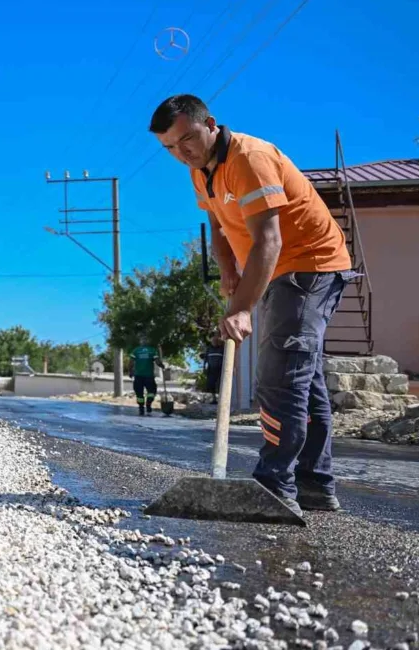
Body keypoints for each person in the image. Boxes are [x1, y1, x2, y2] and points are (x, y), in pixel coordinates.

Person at [149, 94, 352, 517]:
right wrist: (228, 272)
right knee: (303, 378)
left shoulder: (248, 158)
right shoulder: (201, 169)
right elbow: (218, 222)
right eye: (169, 147)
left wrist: (241, 308)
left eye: (186, 139)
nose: (180, 152)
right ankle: (315, 483)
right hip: (276, 269)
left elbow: (269, 240)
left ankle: (274, 485)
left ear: (210, 125)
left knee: (280, 377)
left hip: (309, 267)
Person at [130, 337, 165, 416]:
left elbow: (131, 362)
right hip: (149, 376)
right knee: (152, 391)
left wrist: (130, 371)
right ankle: (148, 403)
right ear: (147, 342)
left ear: (140, 342)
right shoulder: (152, 350)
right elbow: (157, 361)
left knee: (139, 394)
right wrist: (161, 365)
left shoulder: (136, 351)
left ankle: (141, 408)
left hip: (138, 376)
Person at [201, 334, 225, 404]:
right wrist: (204, 367)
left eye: (216, 341)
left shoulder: (222, 349)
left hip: (220, 369)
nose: (214, 342)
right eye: (213, 341)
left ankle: (221, 399)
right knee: (211, 384)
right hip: (211, 369)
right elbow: (205, 359)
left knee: (220, 384)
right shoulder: (209, 349)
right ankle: (214, 399)